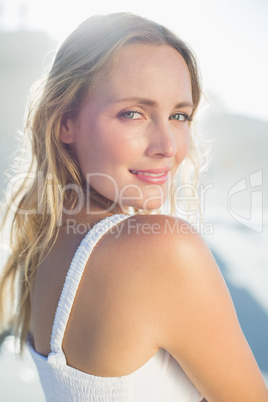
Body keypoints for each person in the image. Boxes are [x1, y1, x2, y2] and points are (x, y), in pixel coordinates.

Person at [0, 12, 267, 402]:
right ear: (65, 123)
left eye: (179, 115)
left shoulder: (43, 241)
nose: (169, 146)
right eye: (133, 113)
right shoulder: (160, 249)